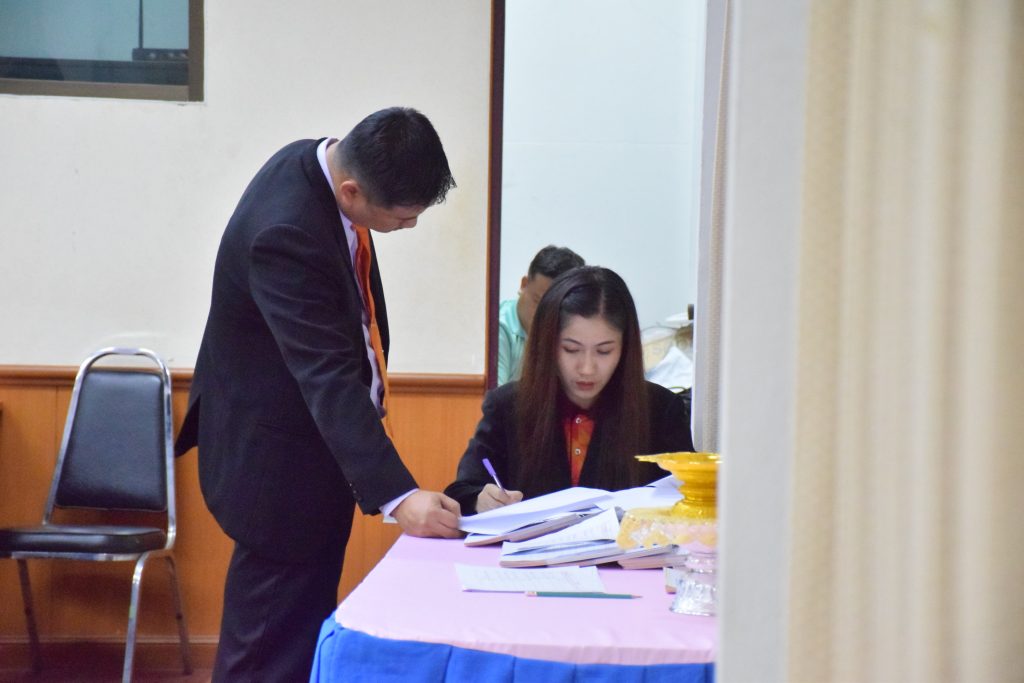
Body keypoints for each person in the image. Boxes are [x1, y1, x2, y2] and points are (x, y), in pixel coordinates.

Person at [174, 107, 463, 681]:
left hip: (311, 453)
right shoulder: (284, 233)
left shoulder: (318, 164)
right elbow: (326, 376)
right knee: (266, 650)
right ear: (353, 192)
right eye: (403, 217)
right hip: (276, 468)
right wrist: (400, 496)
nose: (409, 227)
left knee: (299, 636)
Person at [446, 266, 695, 515]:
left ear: (625, 348)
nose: (587, 368)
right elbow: (462, 491)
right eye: (571, 349)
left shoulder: (660, 409)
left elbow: (689, 496)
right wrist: (481, 500)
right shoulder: (508, 406)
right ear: (548, 344)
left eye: (604, 351)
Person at [497, 245, 584, 385]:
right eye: (538, 301)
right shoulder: (498, 328)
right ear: (524, 284)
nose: (545, 316)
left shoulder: (573, 332)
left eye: (557, 309)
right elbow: (491, 396)